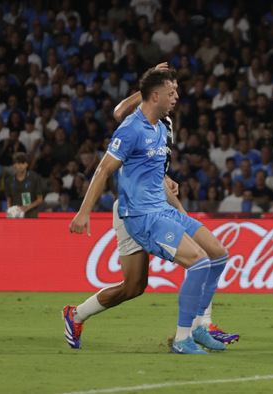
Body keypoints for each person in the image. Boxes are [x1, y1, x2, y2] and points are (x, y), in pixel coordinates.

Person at [68, 68, 228, 355]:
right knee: (199, 263)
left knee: (215, 254)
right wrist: (84, 212)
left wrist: (180, 210)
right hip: (139, 215)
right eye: (172, 93)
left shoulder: (160, 128)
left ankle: (201, 327)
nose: (177, 97)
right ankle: (183, 338)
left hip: (161, 210)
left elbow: (155, 174)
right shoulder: (131, 129)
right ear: (155, 95)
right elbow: (104, 168)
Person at [5, 152, 43, 218]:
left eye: (23, 163)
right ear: (14, 165)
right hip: (15, 213)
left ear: (27, 164)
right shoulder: (9, 181)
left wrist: (25, 209)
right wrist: (9, 210)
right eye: (18, 163)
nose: (21, 165)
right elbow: (9, 199)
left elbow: (40, 199)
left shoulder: (35, 178)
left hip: (31, 214)